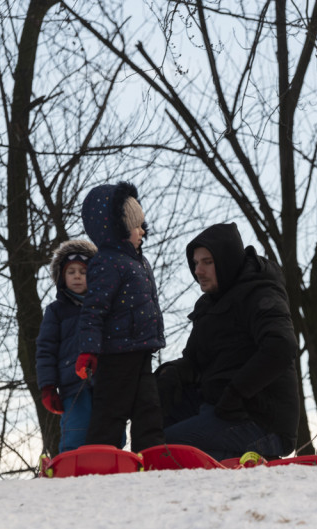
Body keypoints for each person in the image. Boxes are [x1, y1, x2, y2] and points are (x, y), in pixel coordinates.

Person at [157, 222, 299, 461]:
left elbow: (281, 346)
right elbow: (193, 362)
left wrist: (237, 393)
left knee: (168, 450)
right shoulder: (208, 305)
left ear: (227, 261)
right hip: (220, 406)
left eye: (207, 262)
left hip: (260, 419)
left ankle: (249, 462)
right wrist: (165, 377)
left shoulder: (260, 293)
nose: (198, 270)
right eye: (195, 263)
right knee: (152, 432)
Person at [75, 182, 166, 453]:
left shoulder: (139, 261)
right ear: (117, 228)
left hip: (142, 350)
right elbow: (93, 309)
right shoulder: (107, 262)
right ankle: (100, 454)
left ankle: (151, 452)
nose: (142, 232)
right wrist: (88, 349)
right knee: (111, 408)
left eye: (142, 225)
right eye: (135, 226)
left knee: (148, 406)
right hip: (116, 353)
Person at [36, 240, 100, 452]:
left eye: (83, 271)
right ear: (62, 277)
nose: (77, 276)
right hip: (72, 383)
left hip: (105, 382)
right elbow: (46, 349)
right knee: (76, 429)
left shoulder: (103, 308)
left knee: (108, 429)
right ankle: (72, 467)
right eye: (71, 271)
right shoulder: (56, 311)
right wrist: (47, 386)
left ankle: (112, 465)